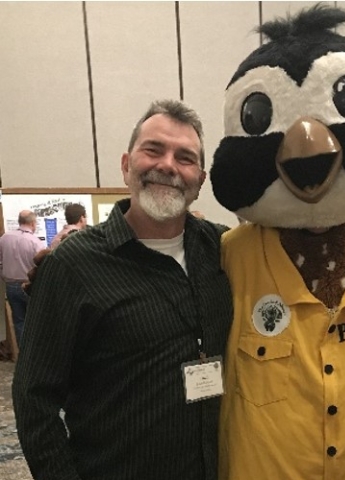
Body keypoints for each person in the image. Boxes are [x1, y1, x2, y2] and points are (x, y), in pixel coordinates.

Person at [12, 99, 233, 480]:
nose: (167, 165)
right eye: (153, 150)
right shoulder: (72, 266)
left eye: (185, 157)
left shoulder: (225, 250)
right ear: (127, 164)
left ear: (200, 179)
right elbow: (34, 401)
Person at [0, 210, 45, 343]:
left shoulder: (4, 238)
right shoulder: (35, 242)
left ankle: (23, 355)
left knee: (19, 321)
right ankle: (36, 354)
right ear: (32, 223)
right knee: (36, 321)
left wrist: (4, 275)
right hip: (30, 286)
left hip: (10, 285)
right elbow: (42, 264)